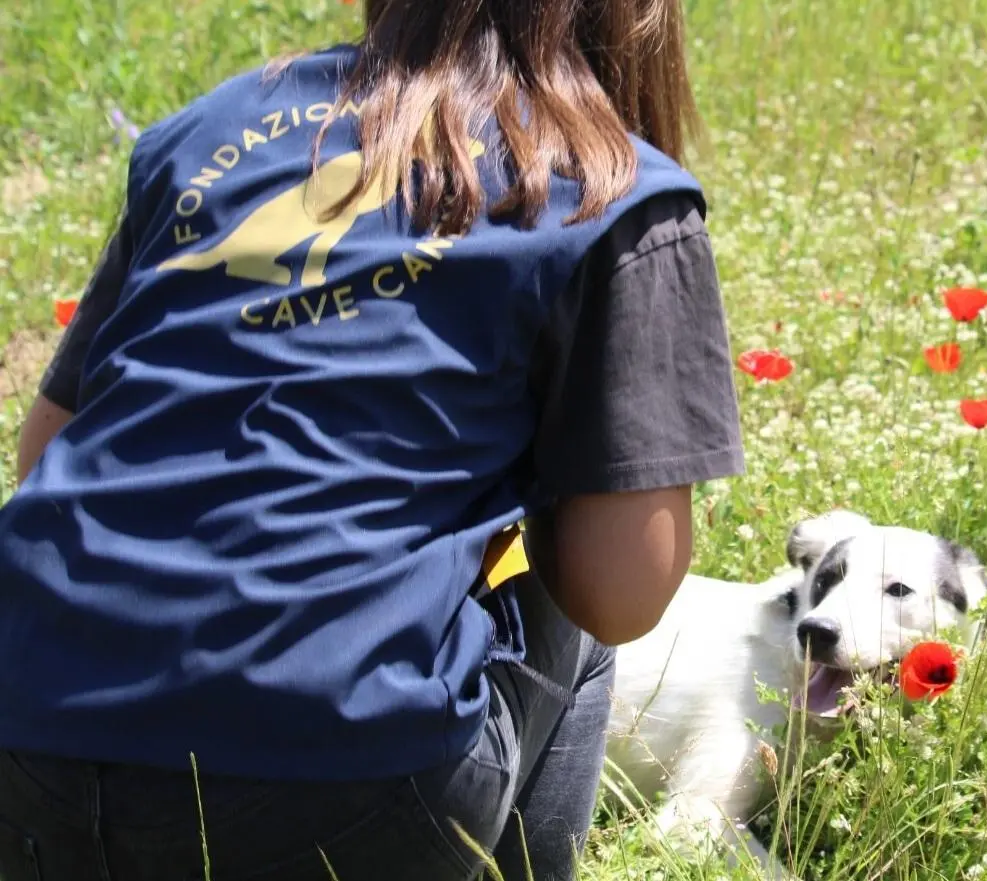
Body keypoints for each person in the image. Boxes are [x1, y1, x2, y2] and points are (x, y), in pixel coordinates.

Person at [0, 0, 745, 878]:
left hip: (27, 728)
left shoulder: (212, 127)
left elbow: (46, 454)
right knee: (562, 610)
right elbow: (619, 594)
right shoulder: (615, 185)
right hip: (346, 780)